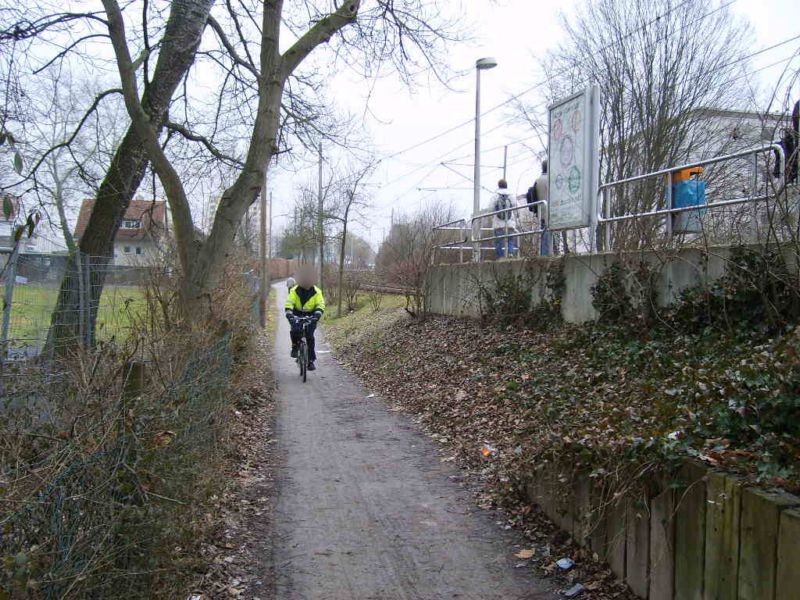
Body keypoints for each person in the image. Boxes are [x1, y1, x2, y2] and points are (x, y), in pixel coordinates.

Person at [284, 266, 325, 371]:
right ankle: (294, 347)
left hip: (311, 315)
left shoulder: (317, 291)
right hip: (297, 313)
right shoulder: (294, 290)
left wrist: (317, 314)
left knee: (310, 336)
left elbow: (320, 304)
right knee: (294, 330)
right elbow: (289, 302)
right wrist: (289, 313)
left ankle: (310, 361)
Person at [527, 160, 551, 256]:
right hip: (551, 212)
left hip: (541, 211)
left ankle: (544, 253)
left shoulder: (538, 180)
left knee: (544, 233)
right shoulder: (551, 179)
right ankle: (548, 253)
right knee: (550, 234)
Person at [492, 179, 518, 258]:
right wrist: (516, 216)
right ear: (506, 186)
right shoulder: (511, 195)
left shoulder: (495, 195)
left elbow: (490, 208)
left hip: (498, 224)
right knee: (510, 240)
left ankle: (500, 258)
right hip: (510, 223)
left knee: (499, 242)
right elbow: (517, 207)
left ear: (498, 186)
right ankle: (510, 254)